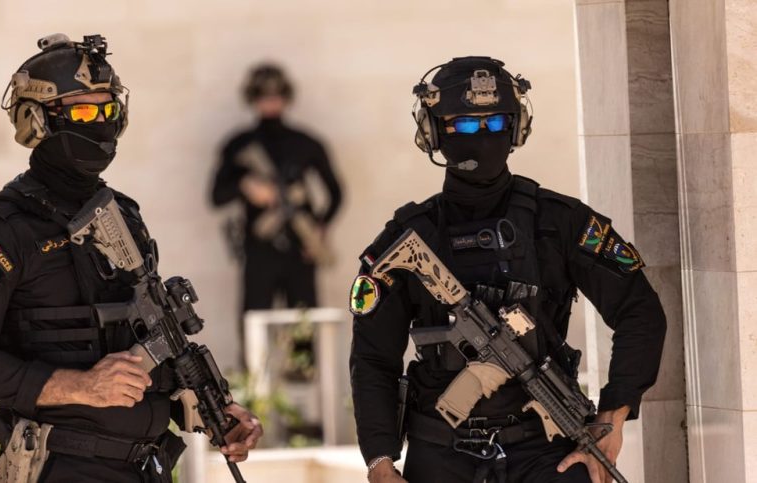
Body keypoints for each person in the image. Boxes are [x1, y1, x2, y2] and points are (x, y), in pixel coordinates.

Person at [0, 33, 262, 483]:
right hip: (62, 467)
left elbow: (146, 341)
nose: (100, 124)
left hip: (148, 467)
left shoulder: (124, 216)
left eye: (108, 110)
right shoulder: (0, 230)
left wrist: (212, 411)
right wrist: (81, 386)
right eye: (83, 112)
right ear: (36, 120)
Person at [349, 56, 666, 483]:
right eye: (464, 125)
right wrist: (380, 462)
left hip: (545, 452)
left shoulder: (560, 222)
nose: (482, 135)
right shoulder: (408, 238)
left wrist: (613, 414)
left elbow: (640, 311)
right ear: (433, 132)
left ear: (517, 129)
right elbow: (373, 357)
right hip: (440, 451)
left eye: (496, 122)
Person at [210, 63, 343, 334]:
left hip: (300, 248)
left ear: (286, 97)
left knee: (304, 329)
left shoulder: (306, 143)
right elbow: (216, 196)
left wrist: (320, 228)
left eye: (276, 96)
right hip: (259, 249)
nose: (270, 103)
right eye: (263, 97)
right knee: (254, 327)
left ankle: (302, 364)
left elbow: (336, 193)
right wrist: (245, 186)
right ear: (252, 98)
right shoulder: (239, 145)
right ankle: (255, 365)